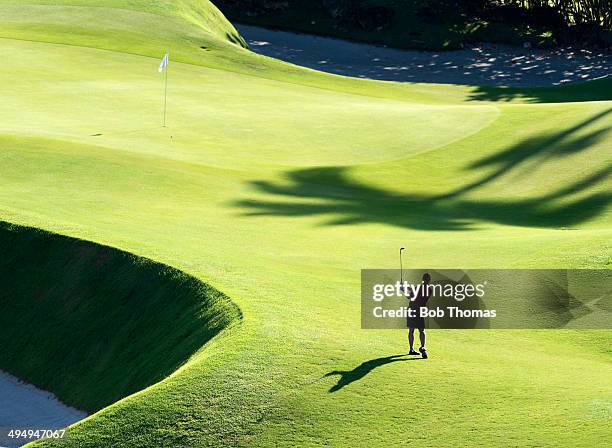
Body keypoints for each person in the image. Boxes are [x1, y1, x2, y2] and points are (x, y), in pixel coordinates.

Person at [403, 273, 431, 359]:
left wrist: (403, 289)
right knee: (421, 330)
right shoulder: (429, 290)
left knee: (411, 330)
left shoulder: (418, 288)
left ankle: (411, 349)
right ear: (429, 280)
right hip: (420, 311)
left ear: (422, 279)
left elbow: (409, 296)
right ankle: (422, 347)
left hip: (412, 309)